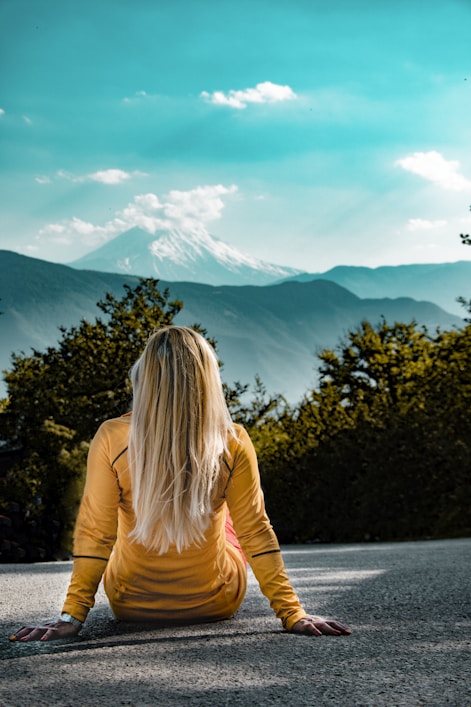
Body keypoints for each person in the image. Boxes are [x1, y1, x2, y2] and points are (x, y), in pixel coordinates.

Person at [11, 326, 351, 642]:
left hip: (130, 603)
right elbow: (256, 531)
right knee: (233, 518)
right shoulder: (232, 441)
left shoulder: (111, 437)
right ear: (207, 379)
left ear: (144, 376)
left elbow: (96, 534)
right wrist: (292, 612)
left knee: (120, 516)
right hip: (216, 601)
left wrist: (72, 615)